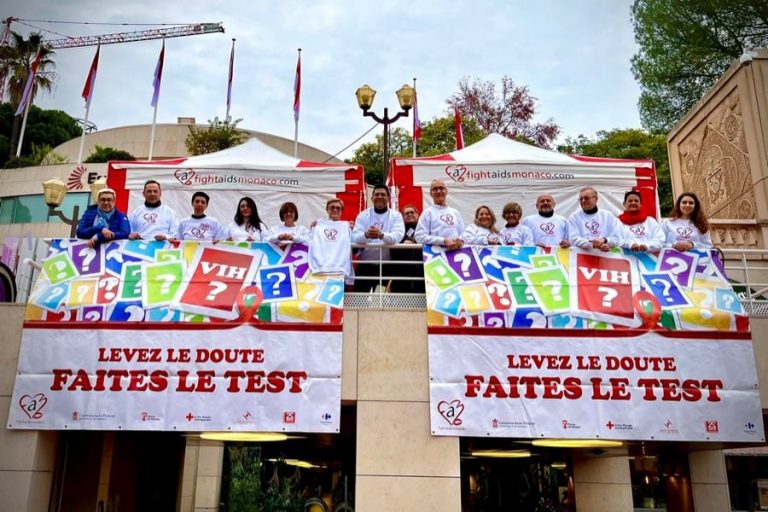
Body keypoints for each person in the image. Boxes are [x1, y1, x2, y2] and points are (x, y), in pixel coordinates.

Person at [351, 185, 405, 292]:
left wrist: (380, 235)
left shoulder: (396, 216)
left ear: (389, 198)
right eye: (377, 194)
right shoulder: (362, 215)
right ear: (372, 198)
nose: (380, 197)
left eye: (383, 195)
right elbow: (355, 238)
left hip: (385, 267)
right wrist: (367, 235)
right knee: (360, 301)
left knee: (380, 301)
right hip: (365, 267)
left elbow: (397, 237)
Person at [308, 198, 353, 280]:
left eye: (338, 208)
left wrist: (352, 229)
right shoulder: (318, 225)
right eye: (332, 207)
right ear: (327, 210)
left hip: (340, 269)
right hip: (320, 269)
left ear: (341, 211)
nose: (335, 209)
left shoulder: (346, 226)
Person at [415, 179, 465, 249]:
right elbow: (419, 236)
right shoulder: (427, 213)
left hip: (456, 255)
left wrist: (460, 241)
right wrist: (443, 241)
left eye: (441, 188)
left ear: (446, 191)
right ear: (431, 193)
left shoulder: (455, 213)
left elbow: (463, 234)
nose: (438, 191)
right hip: (436, 256)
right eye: (435, 189)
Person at [568, 187, 620, 252]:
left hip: (605, 257)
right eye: (581, 199)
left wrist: (605, 240)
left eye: (586, 198)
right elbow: (573, 239)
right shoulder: (574, 217)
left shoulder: (608, 216)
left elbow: (617, 238)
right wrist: (594, 244)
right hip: (583, 258)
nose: (583, 200)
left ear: (596, 199)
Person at [390, 205, 425, 293]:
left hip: (421, 271)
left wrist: (415, 246)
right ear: (403, 217)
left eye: (412, 212)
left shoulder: (424, 229)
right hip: (401, 273)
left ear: (417, 215)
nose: (409, 214)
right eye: (406, 213)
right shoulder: (398, 231)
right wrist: (402, 246)